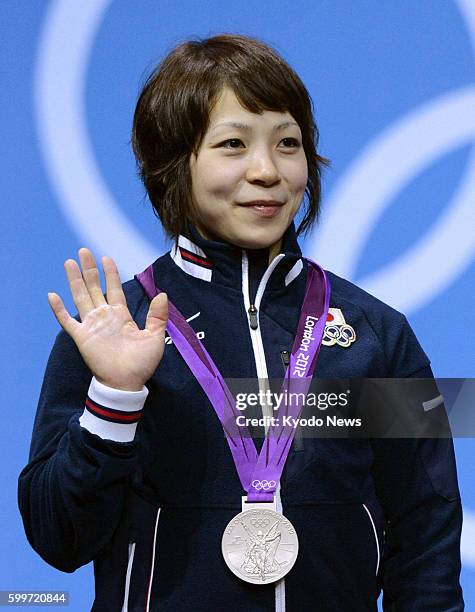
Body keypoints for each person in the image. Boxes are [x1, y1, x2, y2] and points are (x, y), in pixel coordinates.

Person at [18, 34, 464, 611]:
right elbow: (58, 538)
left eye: (288, 143)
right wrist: (115, 398)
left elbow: (426, 531)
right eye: (233, 144)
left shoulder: (378, 333)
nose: (267, 171)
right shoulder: (113, 332)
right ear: (175, 163)